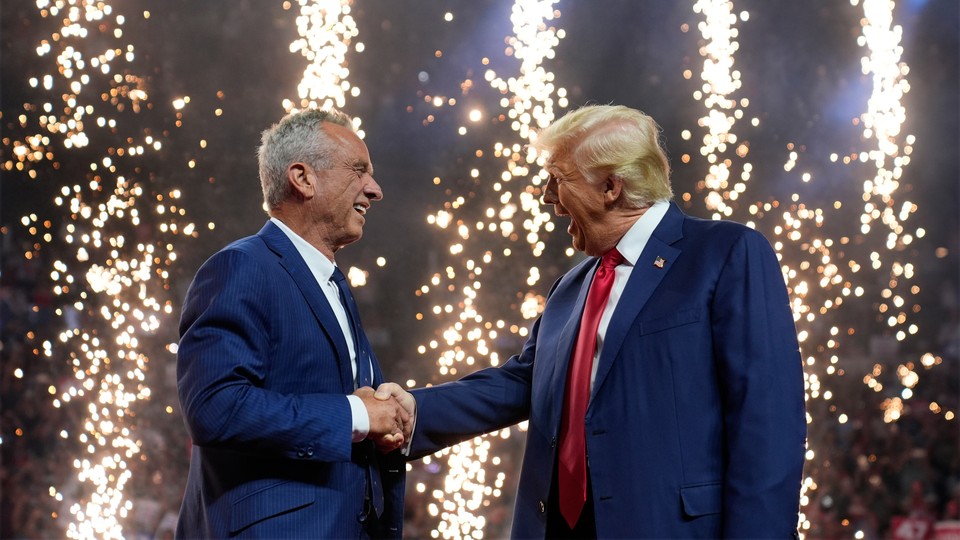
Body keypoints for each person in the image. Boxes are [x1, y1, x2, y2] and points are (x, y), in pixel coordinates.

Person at [386, 104, 807, 538]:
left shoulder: (727, 253)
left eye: (558, 179)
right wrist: (412, 411)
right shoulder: (571, 286)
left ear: (611, 187)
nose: (548, 196)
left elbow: (769, 424)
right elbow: (522, 383)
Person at [176, 108, 410, 538]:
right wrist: (357, 413)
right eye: (358, 170)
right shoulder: (240, 267)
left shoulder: (336, 287)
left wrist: (391, 414)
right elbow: (215, 408)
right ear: (303, 179)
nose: (374, 190)